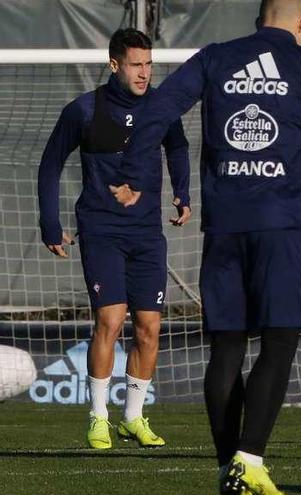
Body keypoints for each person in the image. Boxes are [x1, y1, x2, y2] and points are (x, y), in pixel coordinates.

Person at [110, 0, 301, 492]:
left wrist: (133, 172)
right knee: (280, 341)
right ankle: (249, 459)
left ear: (260, 18)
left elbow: (158, 108)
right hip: (282, 227)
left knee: (226, 347)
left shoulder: (215, 57)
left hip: (224, 228)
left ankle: (230, 466)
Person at [37, 28, 191, 450]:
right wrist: (50, 223)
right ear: (114, 65)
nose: (145, 73)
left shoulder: (162, 107)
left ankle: (133, 418)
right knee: (110, 320)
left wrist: (182, 191)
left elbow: (178, 148)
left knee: (149, 328)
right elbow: (50, 165)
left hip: (146, 233)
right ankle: (98, 417)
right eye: (136, 64)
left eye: (149, 64)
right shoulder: (84, 110)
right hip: (101, 229)